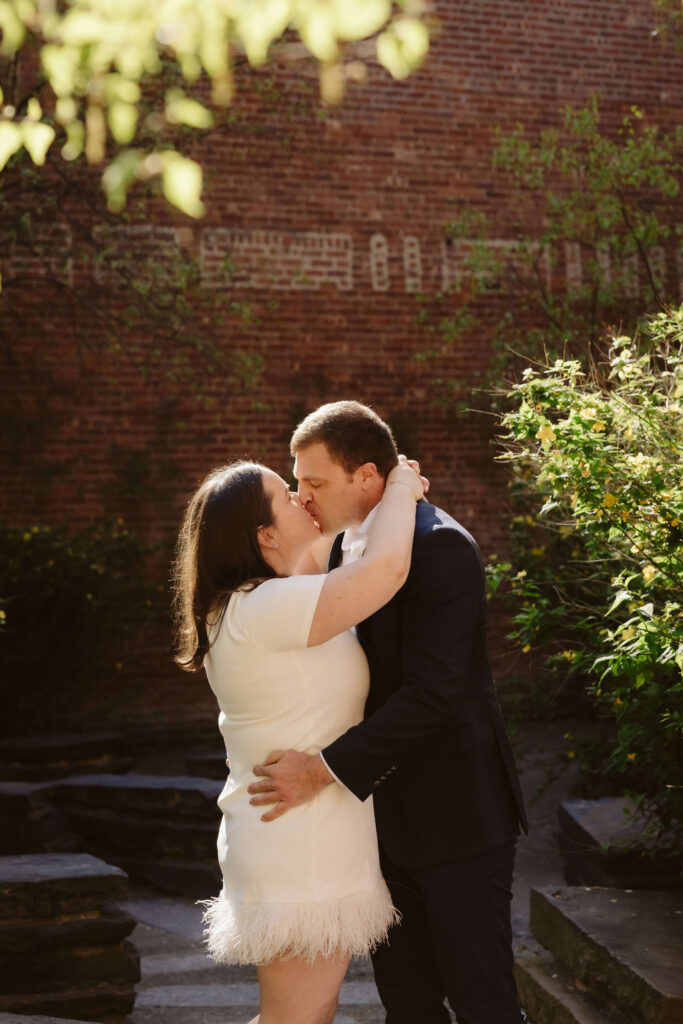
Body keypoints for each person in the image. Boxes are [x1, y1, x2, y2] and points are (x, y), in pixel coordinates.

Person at [247, 401, 529, 1024]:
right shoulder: (350, 549)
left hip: (459, 819)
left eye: (315, 483)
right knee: (407, 1004)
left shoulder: (441, 548)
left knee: (484, 1002)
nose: (303, 497)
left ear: (368, 475)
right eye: (297, 484)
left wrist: (321, 769)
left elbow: (433, 694)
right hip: (381, 826)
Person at [172, 456, 425, 1024]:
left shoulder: (268, 601)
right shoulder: (262, 606)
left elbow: (345, 563)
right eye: (287, 495)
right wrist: (402, 486)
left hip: (307, 837)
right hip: (298, 845)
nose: (302, 499)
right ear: (265, 535)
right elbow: (385, 570)